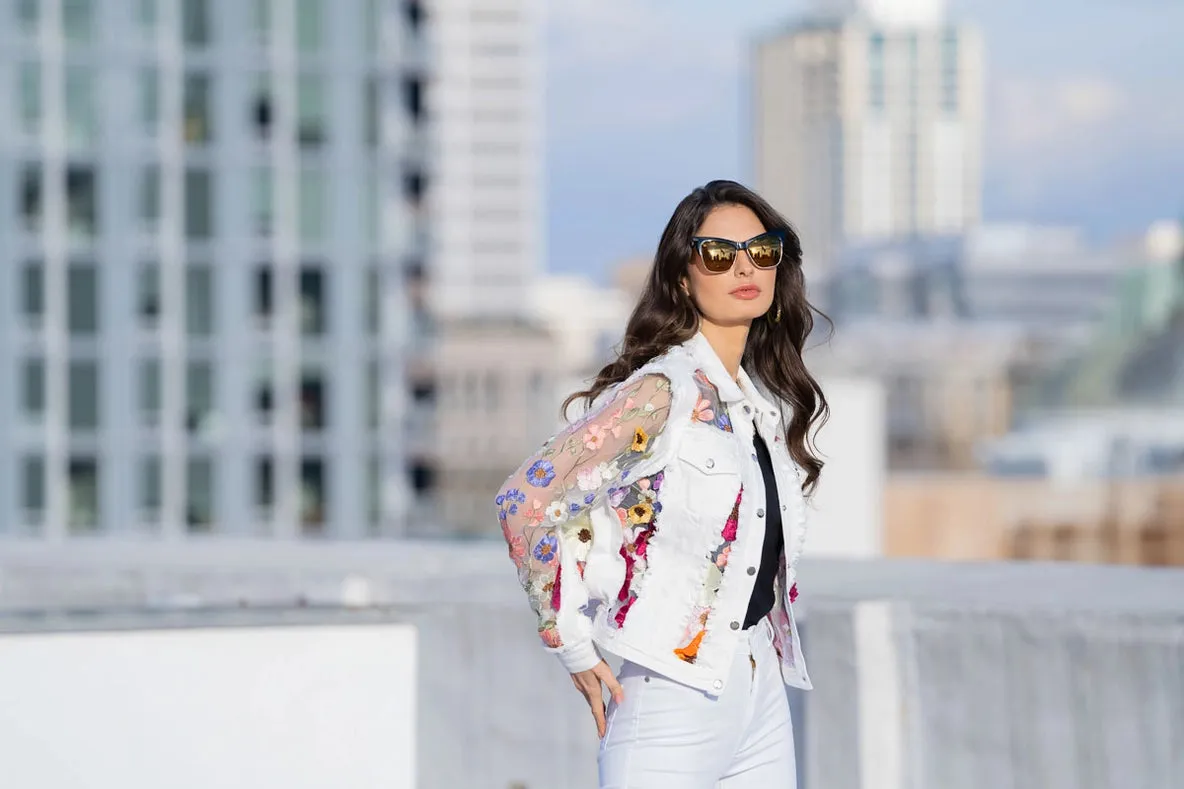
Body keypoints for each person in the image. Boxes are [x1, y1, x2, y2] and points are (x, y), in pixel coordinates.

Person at [494, 179, 828, 788]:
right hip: (672, 698)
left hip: (760, 692)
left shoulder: (759, 408)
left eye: (762, 250)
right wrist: (570, 642)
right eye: (719, 254)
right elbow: (525, 500)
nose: (744, 267)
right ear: (682, 277)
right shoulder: (662, 391)